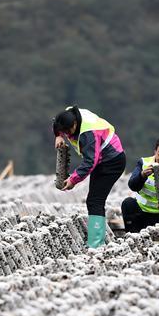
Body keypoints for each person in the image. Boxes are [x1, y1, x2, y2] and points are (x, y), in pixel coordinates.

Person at [53, 105, 126, 248]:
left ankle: (96, 245)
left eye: (68, 131)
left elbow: (91, 161)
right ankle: (97, 241)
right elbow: (55, 122)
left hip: (112, 162)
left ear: (75, 124)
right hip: (101, 161)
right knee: (94, 201)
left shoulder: (88, 134)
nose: (68, 135)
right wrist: (58, 136)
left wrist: (74, 179)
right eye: (64, 132)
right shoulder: (68, 114)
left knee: (95, 201)